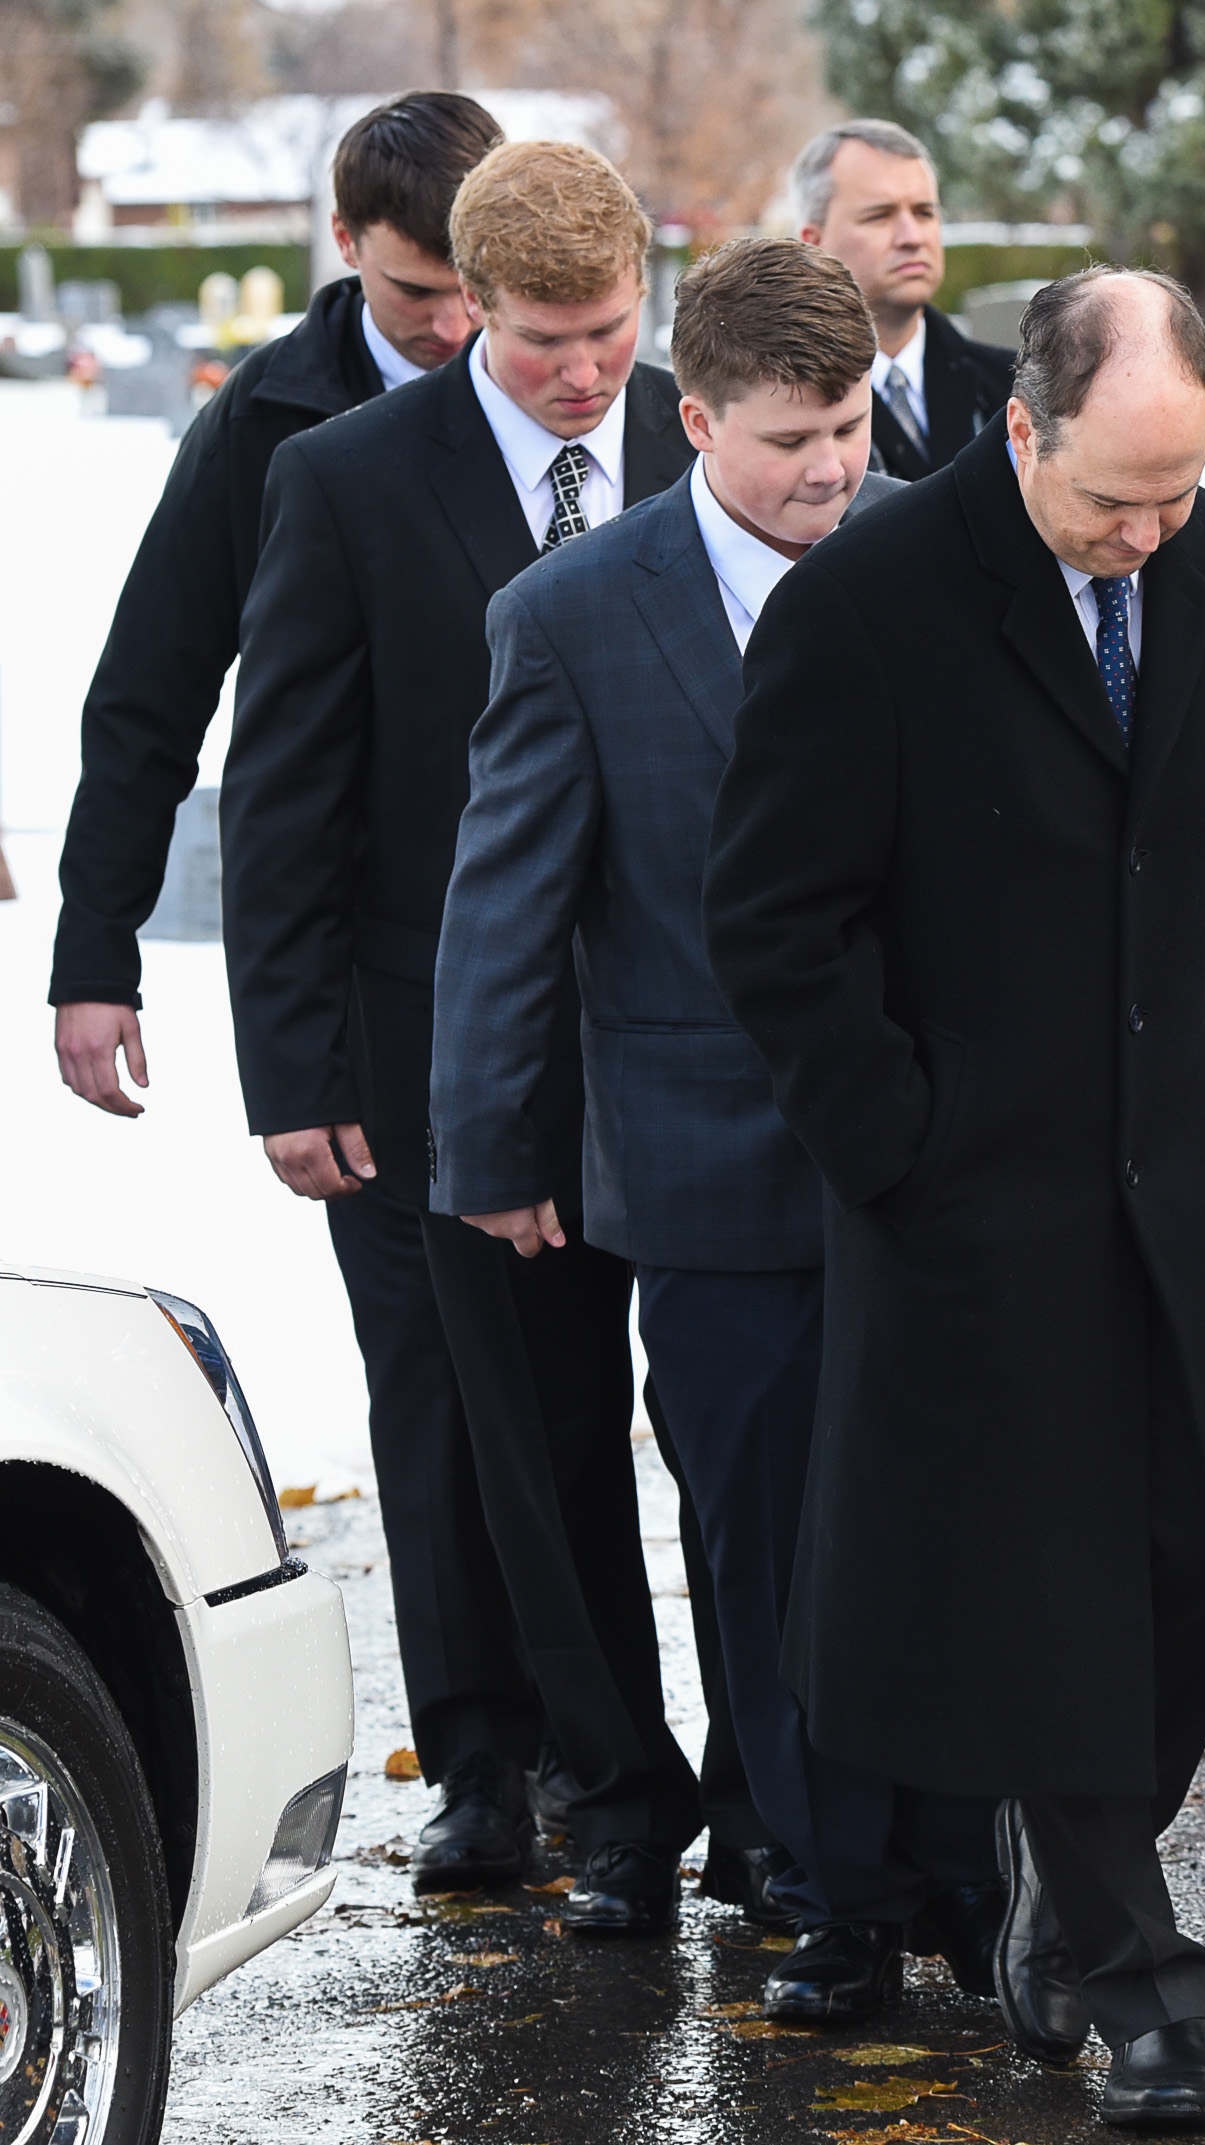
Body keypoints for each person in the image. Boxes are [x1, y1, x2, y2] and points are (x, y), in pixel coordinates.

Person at [704, 263, 1205, 2128]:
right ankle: (1140, 1979)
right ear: (1017, 427)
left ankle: (1072, 1884)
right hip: (979, 1196)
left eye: (1180, 490)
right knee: (1051, 1589)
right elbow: (774, 923)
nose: (1146, 535)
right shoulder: (872, 601)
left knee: (1202, 1564)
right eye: (1110, 498)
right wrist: (906, 1149)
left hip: (1183, 1175)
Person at [429, 237, 1008, 2029]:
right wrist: (496, 1150)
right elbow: (507, 908)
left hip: (933, 1167)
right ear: (696, 426)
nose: (831, 471)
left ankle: (959, 1884)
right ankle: (820, 1893)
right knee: (759, 1552)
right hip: (702, 1173)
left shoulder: (956, 561)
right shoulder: (576, 618)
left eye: (847, 429)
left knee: (945, 1534)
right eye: (787, 443)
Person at [45, 94, 555, 1895]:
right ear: (352, 248)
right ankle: (484, 1758)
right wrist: (97, 956)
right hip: (378, 988)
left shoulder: (559, 377)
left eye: (472, 288)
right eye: (424, 292)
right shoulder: (266, 425)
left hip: (578, 987)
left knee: (571, 1387)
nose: (454, 327)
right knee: (427, 1390)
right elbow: (154, 698)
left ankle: (609, 1744)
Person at [222, 139, 708, 1930]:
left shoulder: (709, 432)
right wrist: (297, 1068)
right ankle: (559, 1783)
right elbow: (287, 786)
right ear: (463, 310)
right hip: (449, 1048)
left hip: (693, 1043)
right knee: (507, 1439)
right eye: (548, 340)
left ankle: (753, 1791)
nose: (590, 374)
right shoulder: (346, 480)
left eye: (613, 330)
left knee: (723, 1424)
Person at [794, 118, 1014, 479]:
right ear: (813, 242)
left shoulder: (1014, 388)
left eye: (924, 212)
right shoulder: (775, 401)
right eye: (879, 216)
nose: (912, 237)